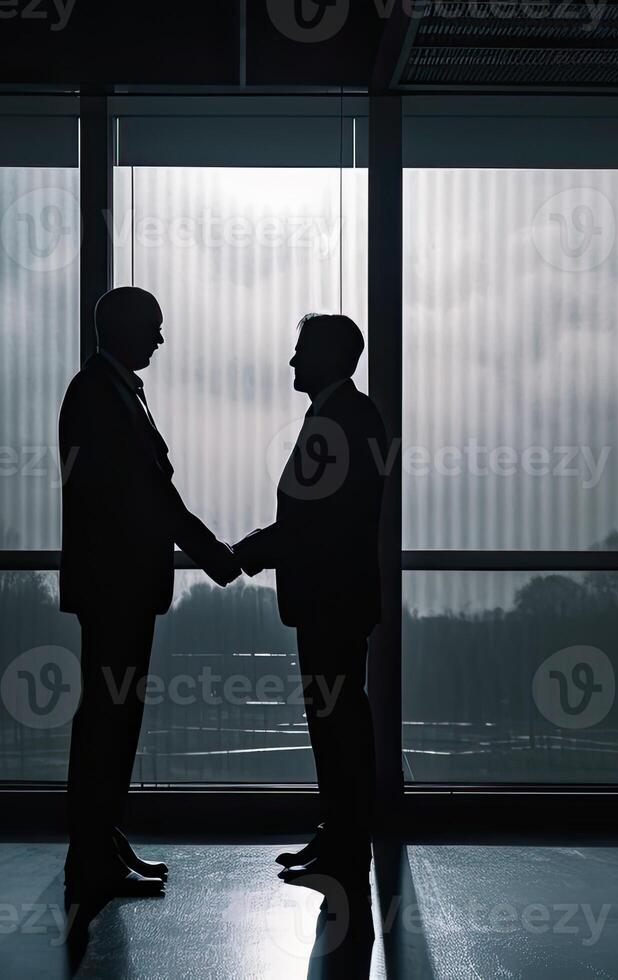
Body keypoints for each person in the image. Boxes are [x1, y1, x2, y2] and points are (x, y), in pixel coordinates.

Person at [58, 286, 242, 900]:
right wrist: (214, 553)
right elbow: (147, 499)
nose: (162, 339)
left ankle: (102, 841)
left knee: (114, 719)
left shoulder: (111, 392)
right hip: (117, 587)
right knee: (109, 720)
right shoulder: (99, 396)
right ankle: (93, 852)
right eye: (155, 327)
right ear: (126, 329)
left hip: (118, 587)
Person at [233, 313, 388, 883]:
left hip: (331, 599)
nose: (292, 362)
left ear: (327, 356)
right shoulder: (344, 416)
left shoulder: (342, 420)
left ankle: (347, 842)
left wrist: (250, 549)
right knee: (333, 719)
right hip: (333, 598)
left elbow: (316, 520)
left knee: (337, 720)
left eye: (301, 350)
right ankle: (340, 834)